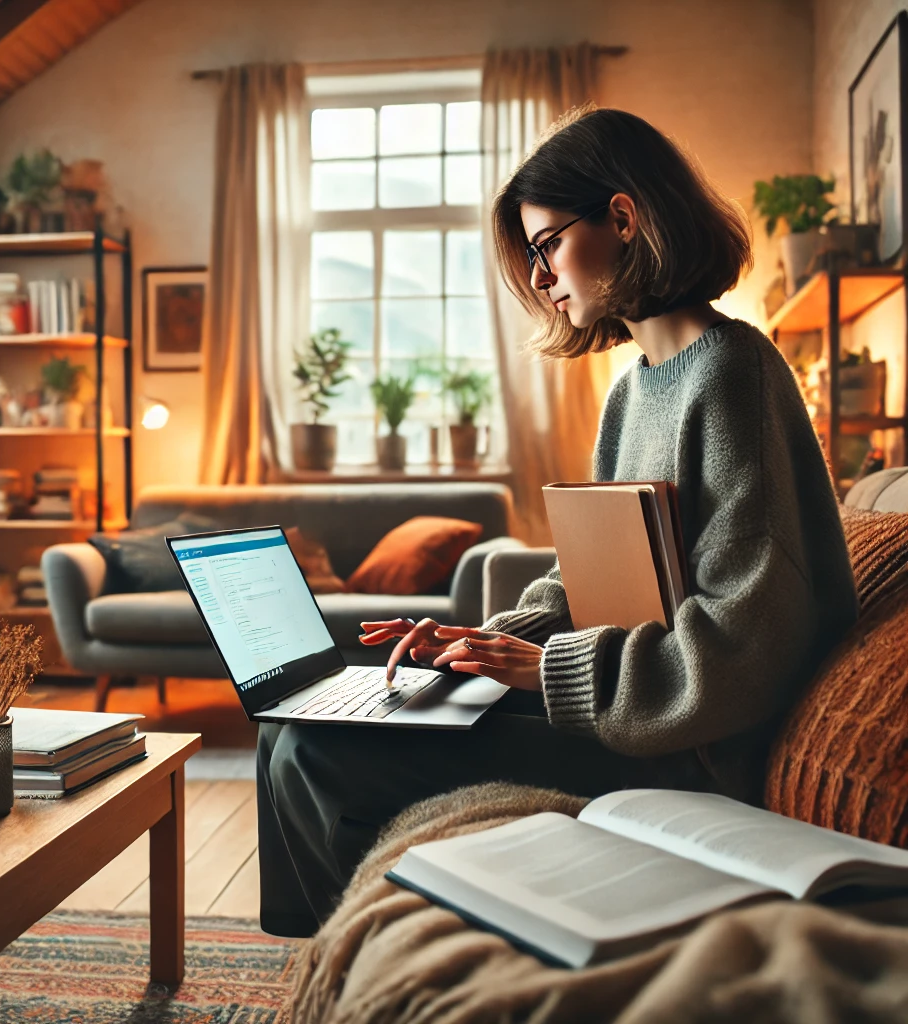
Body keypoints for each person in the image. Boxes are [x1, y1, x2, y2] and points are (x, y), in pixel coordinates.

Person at [257, 104, 858, 938]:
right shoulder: (633, 390)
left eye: (545, 246)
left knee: (321, 755)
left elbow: (742, 644)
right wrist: (477, 640)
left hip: (692, 747)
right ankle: (320, 967)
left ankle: (355, 973)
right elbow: (589, 576)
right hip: (629, 712)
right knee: (295, 729)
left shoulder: (734, 375)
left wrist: (544, 670)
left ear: (622, 217)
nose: (540, 278)